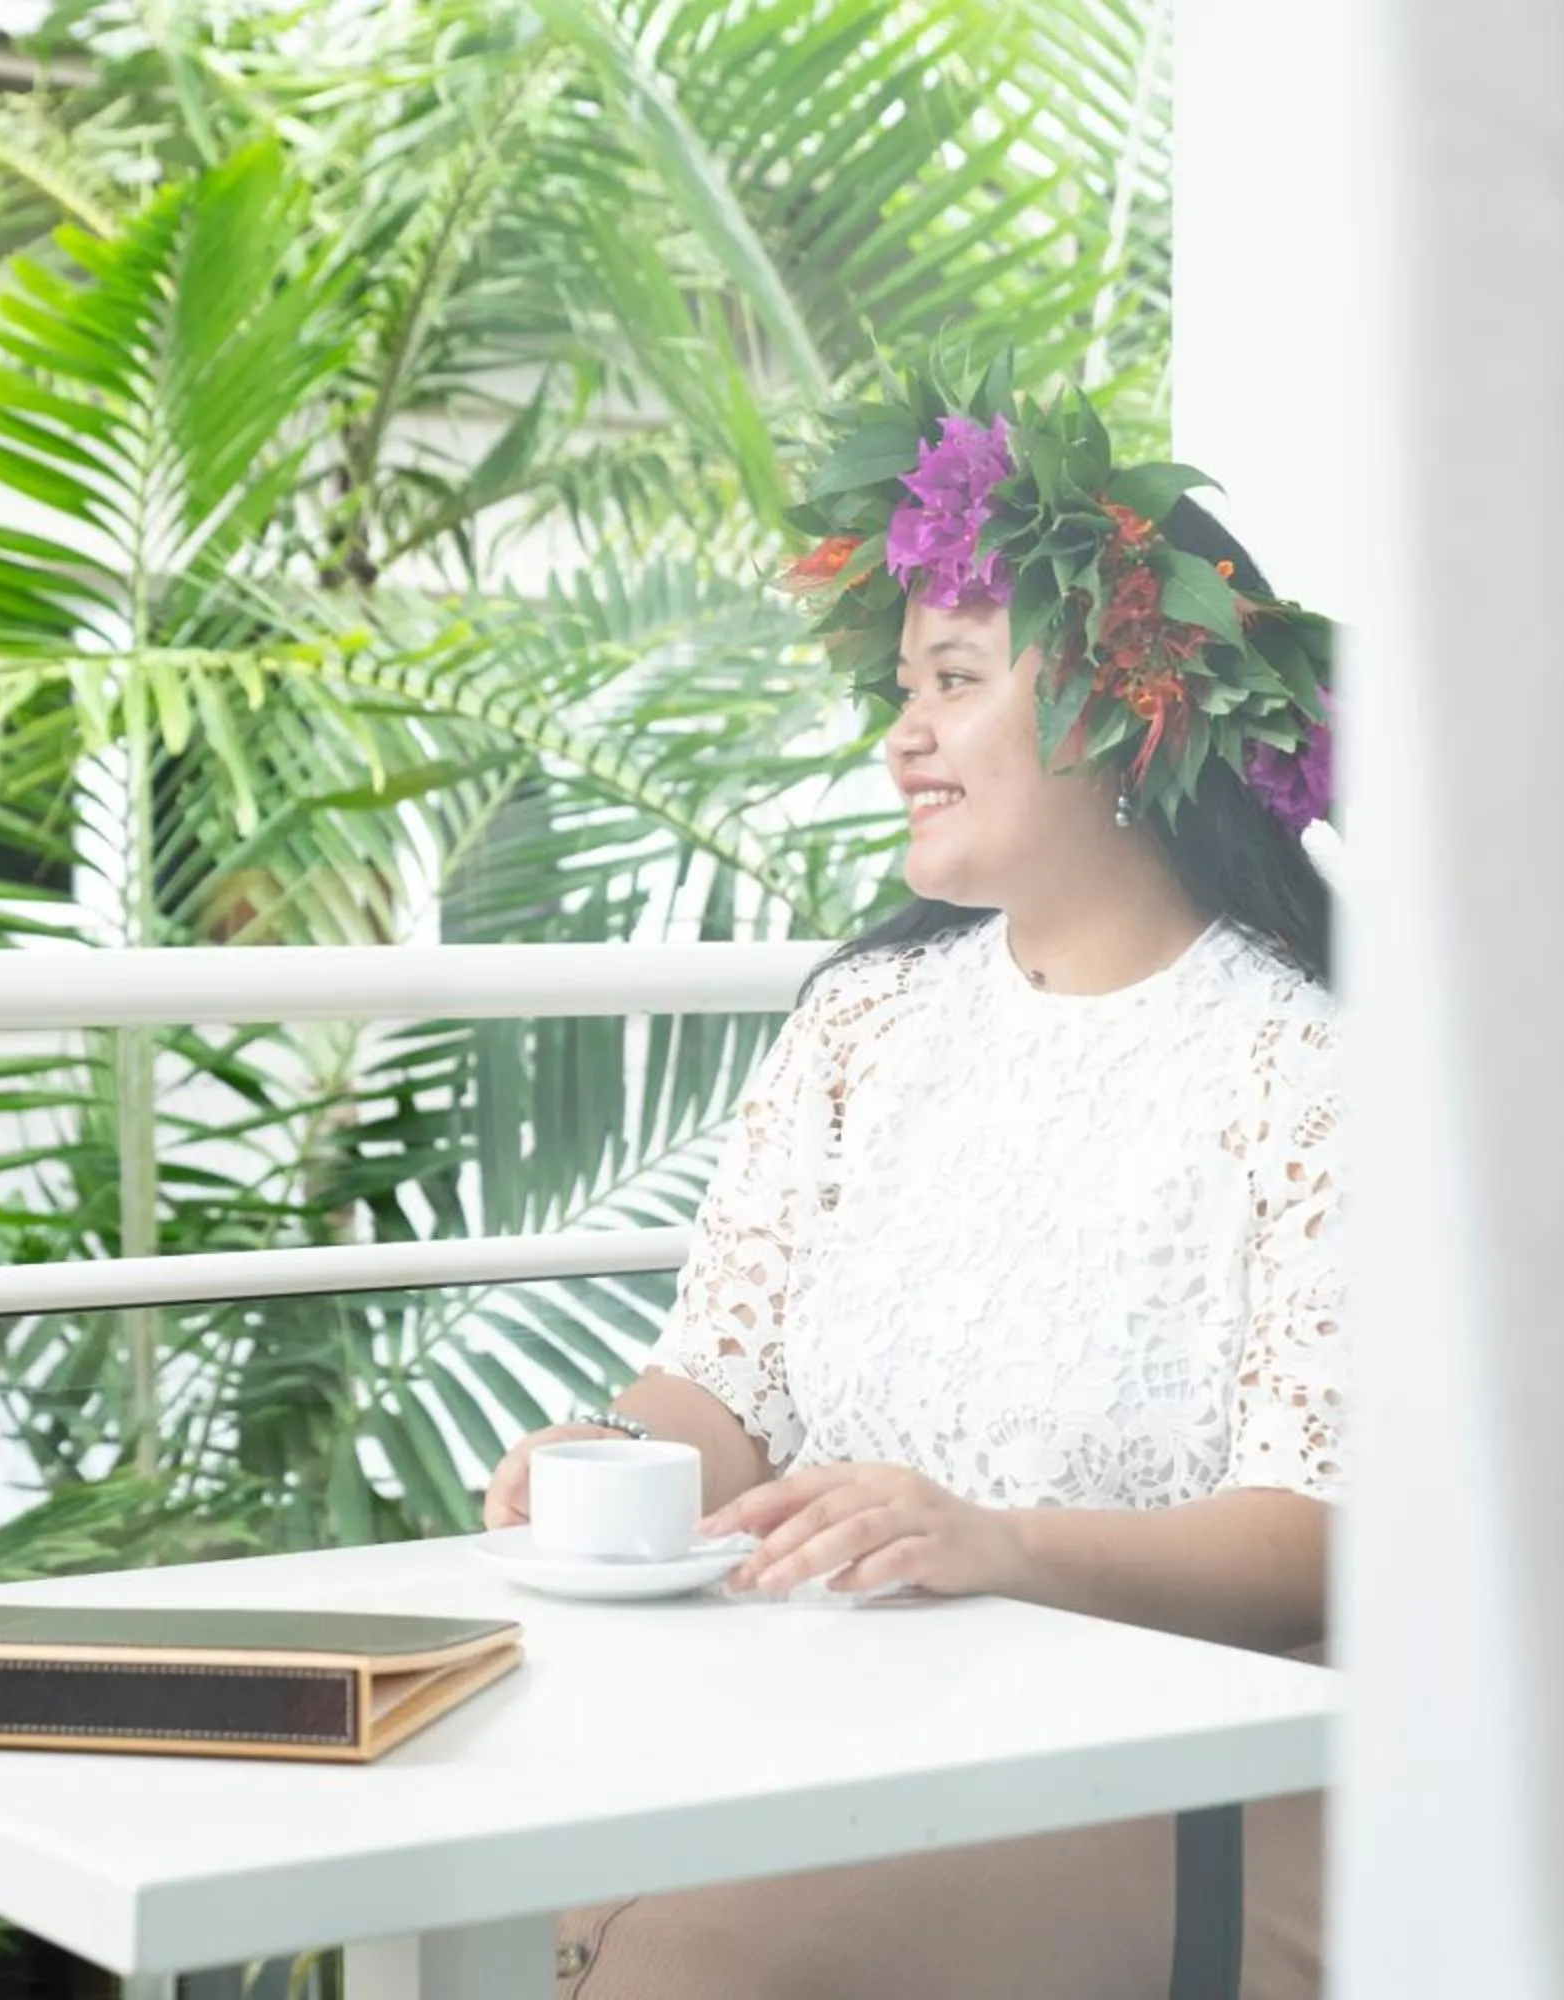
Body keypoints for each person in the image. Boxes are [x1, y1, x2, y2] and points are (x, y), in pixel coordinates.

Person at [482, 364, 1346, 2000]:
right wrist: (606, 1458)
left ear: (1128, 706)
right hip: (840, 1731)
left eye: (953, 678)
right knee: (495, 1896)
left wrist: (1005, 1548)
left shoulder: (1304, 1068)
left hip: (1183, 1777)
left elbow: (1322, 1537)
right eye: (902, 683)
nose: (902, 735)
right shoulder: (863, 1027)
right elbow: (721, 1387)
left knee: (662, 1961)